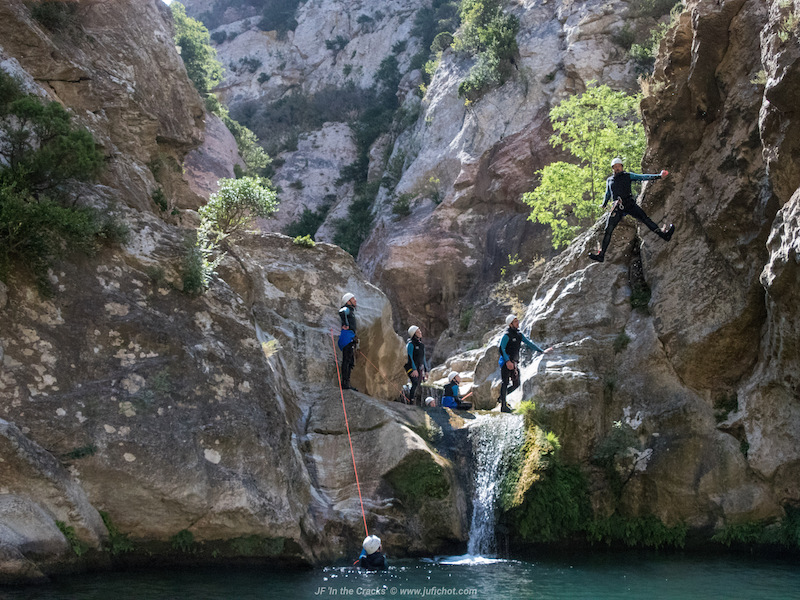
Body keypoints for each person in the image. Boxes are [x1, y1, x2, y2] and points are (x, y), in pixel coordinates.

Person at [589, 157, 674, 263]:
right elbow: (608, 193)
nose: (617, 169)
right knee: (608, 229)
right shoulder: (610, 180)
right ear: (612, 169)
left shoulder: (628, 176)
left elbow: (642, 177)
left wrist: (659, 176)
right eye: (615, 167)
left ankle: (664, 235)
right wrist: (604, 204)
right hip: (617, 207)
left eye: (618, 166)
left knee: (645, 219)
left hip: (629, 204)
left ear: (622, 167)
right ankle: (601, 255)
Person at [498, 314, 552, 413]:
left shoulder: (519, 334)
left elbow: (529, 343)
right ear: (510, 324)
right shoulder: (506, 335)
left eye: (517, 320)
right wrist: (507, 361)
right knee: (505, 383)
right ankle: (503, 406)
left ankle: (502, 397)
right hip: (506, 363)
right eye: (515, 321)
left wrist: (541, 351)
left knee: (516, 384)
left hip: (514, 362)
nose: (518, 323)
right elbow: (501, 348)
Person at [404, 325, 429, 406]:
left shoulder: (421, 345)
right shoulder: (410, 344)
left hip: (419, 367)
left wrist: (426, 370)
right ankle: (410, 401)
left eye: (420, 331)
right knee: (414, 382)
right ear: (414, 334)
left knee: (418, 384)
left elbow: (423, 358)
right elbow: (409, 356)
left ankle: (415, 401)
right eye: (418, 332)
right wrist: (413, 369)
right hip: (410, 366)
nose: (420, 332)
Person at [338, 293, 358, 391]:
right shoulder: (347, 309)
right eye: (353, 299)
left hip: (349, 337)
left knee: (350, 361)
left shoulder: (351, 311)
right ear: (348, 301)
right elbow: (342, 311)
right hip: (347, 337)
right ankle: (345, 383)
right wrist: (345, 323)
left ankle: (347, 382)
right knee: (347, 360)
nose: (355, 300)